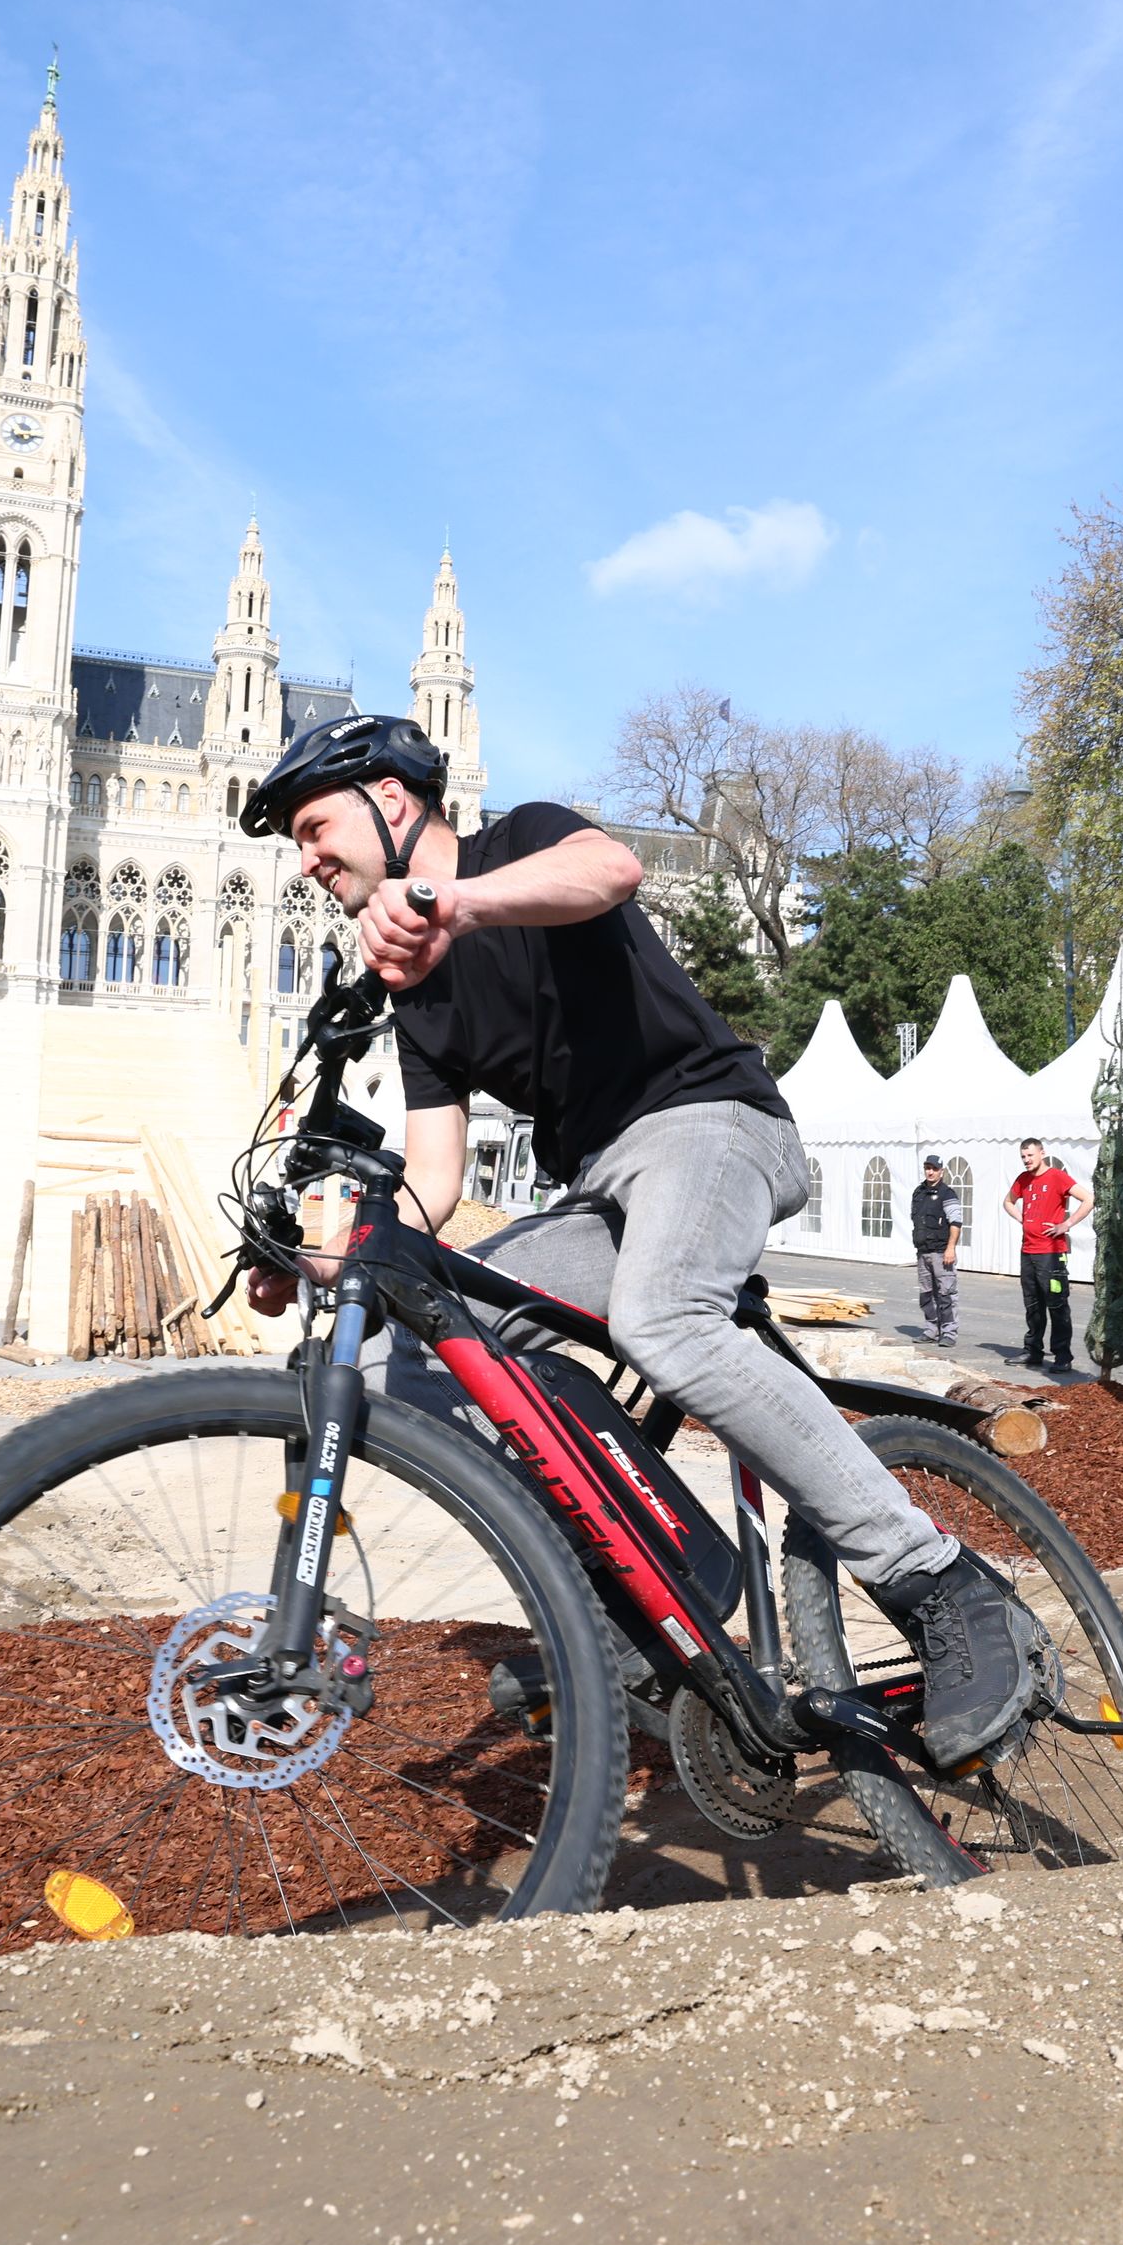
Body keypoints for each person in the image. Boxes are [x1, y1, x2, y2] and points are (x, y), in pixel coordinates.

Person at [237, 712, 1037, 1772]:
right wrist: (320, 1266)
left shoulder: (516, 843)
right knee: (406, 1343)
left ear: (391, 801)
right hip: (604, 1193)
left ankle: (940, 1582)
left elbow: (608, 870)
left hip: (711, 1127)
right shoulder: (417, 996)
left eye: (312, 827)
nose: (307, 860)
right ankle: (663, 1579)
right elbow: (431, 1184)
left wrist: (454, 904)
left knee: (663, 1317)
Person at [1004, 1138, 1090, 1370]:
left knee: (1057, 1305)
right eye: (1023, 1156)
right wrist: (1022, 1218)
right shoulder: (1023, 1180)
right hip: (1028, 1251)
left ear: (1042, 1153)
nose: (1026, 1160)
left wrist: (1067, 1224)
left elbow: (1089, 1198)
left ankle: (1063, 1356)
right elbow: (1008, 1202)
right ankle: (1033, 1351)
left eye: (1030, 1155)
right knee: (1032, 1304)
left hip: (1051, 1254)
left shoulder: (1057, 1177)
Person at [906, 1153, 960, 1342]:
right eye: (928, 1168)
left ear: (941, 1171)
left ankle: (948, 1332)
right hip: (923, 1252)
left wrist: (950, 1248)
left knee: (946, 1294)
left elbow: (956, 1222)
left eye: (934, 1169)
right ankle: (931, 1329)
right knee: (926, 1295)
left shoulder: (948, 1194)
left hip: (941, 1252)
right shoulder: (918, 1193)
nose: (930, 1172)